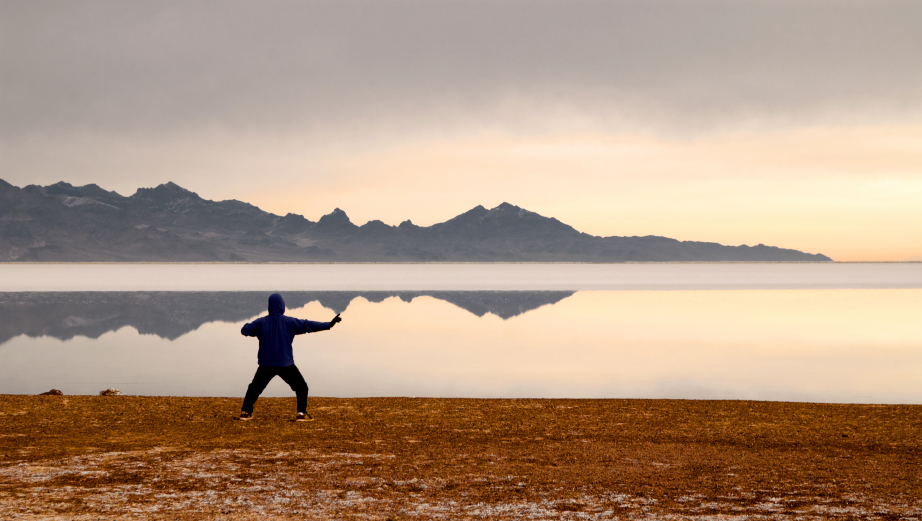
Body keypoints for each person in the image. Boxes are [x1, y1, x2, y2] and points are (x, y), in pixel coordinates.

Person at [238, 293, 342, 422]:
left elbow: (244, 330)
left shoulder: (261, 322)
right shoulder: (288, 322)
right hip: (285, 364)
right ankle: (301, 414)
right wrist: (329, 325)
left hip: (266, 364)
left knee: (254, 388)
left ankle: (245, 412)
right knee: (301, 387)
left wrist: (255, 329)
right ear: (282, 305)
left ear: (270, 305)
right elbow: (307, 325)